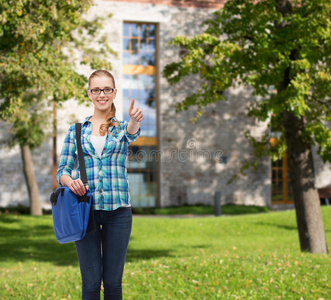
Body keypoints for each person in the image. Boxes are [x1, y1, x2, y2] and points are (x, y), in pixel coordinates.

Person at [56, 69, 143, 300]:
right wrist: (70, 182)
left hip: (118, 212)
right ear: (89, 94)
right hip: (86, 214)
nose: (101, 94)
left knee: (113, 284)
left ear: (114, 93)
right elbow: (62, 171)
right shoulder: (76, 131)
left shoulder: (122, 128)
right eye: (96, 89)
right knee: (91, 284)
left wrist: (134, 120)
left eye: (106, 89)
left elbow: (132, 133)